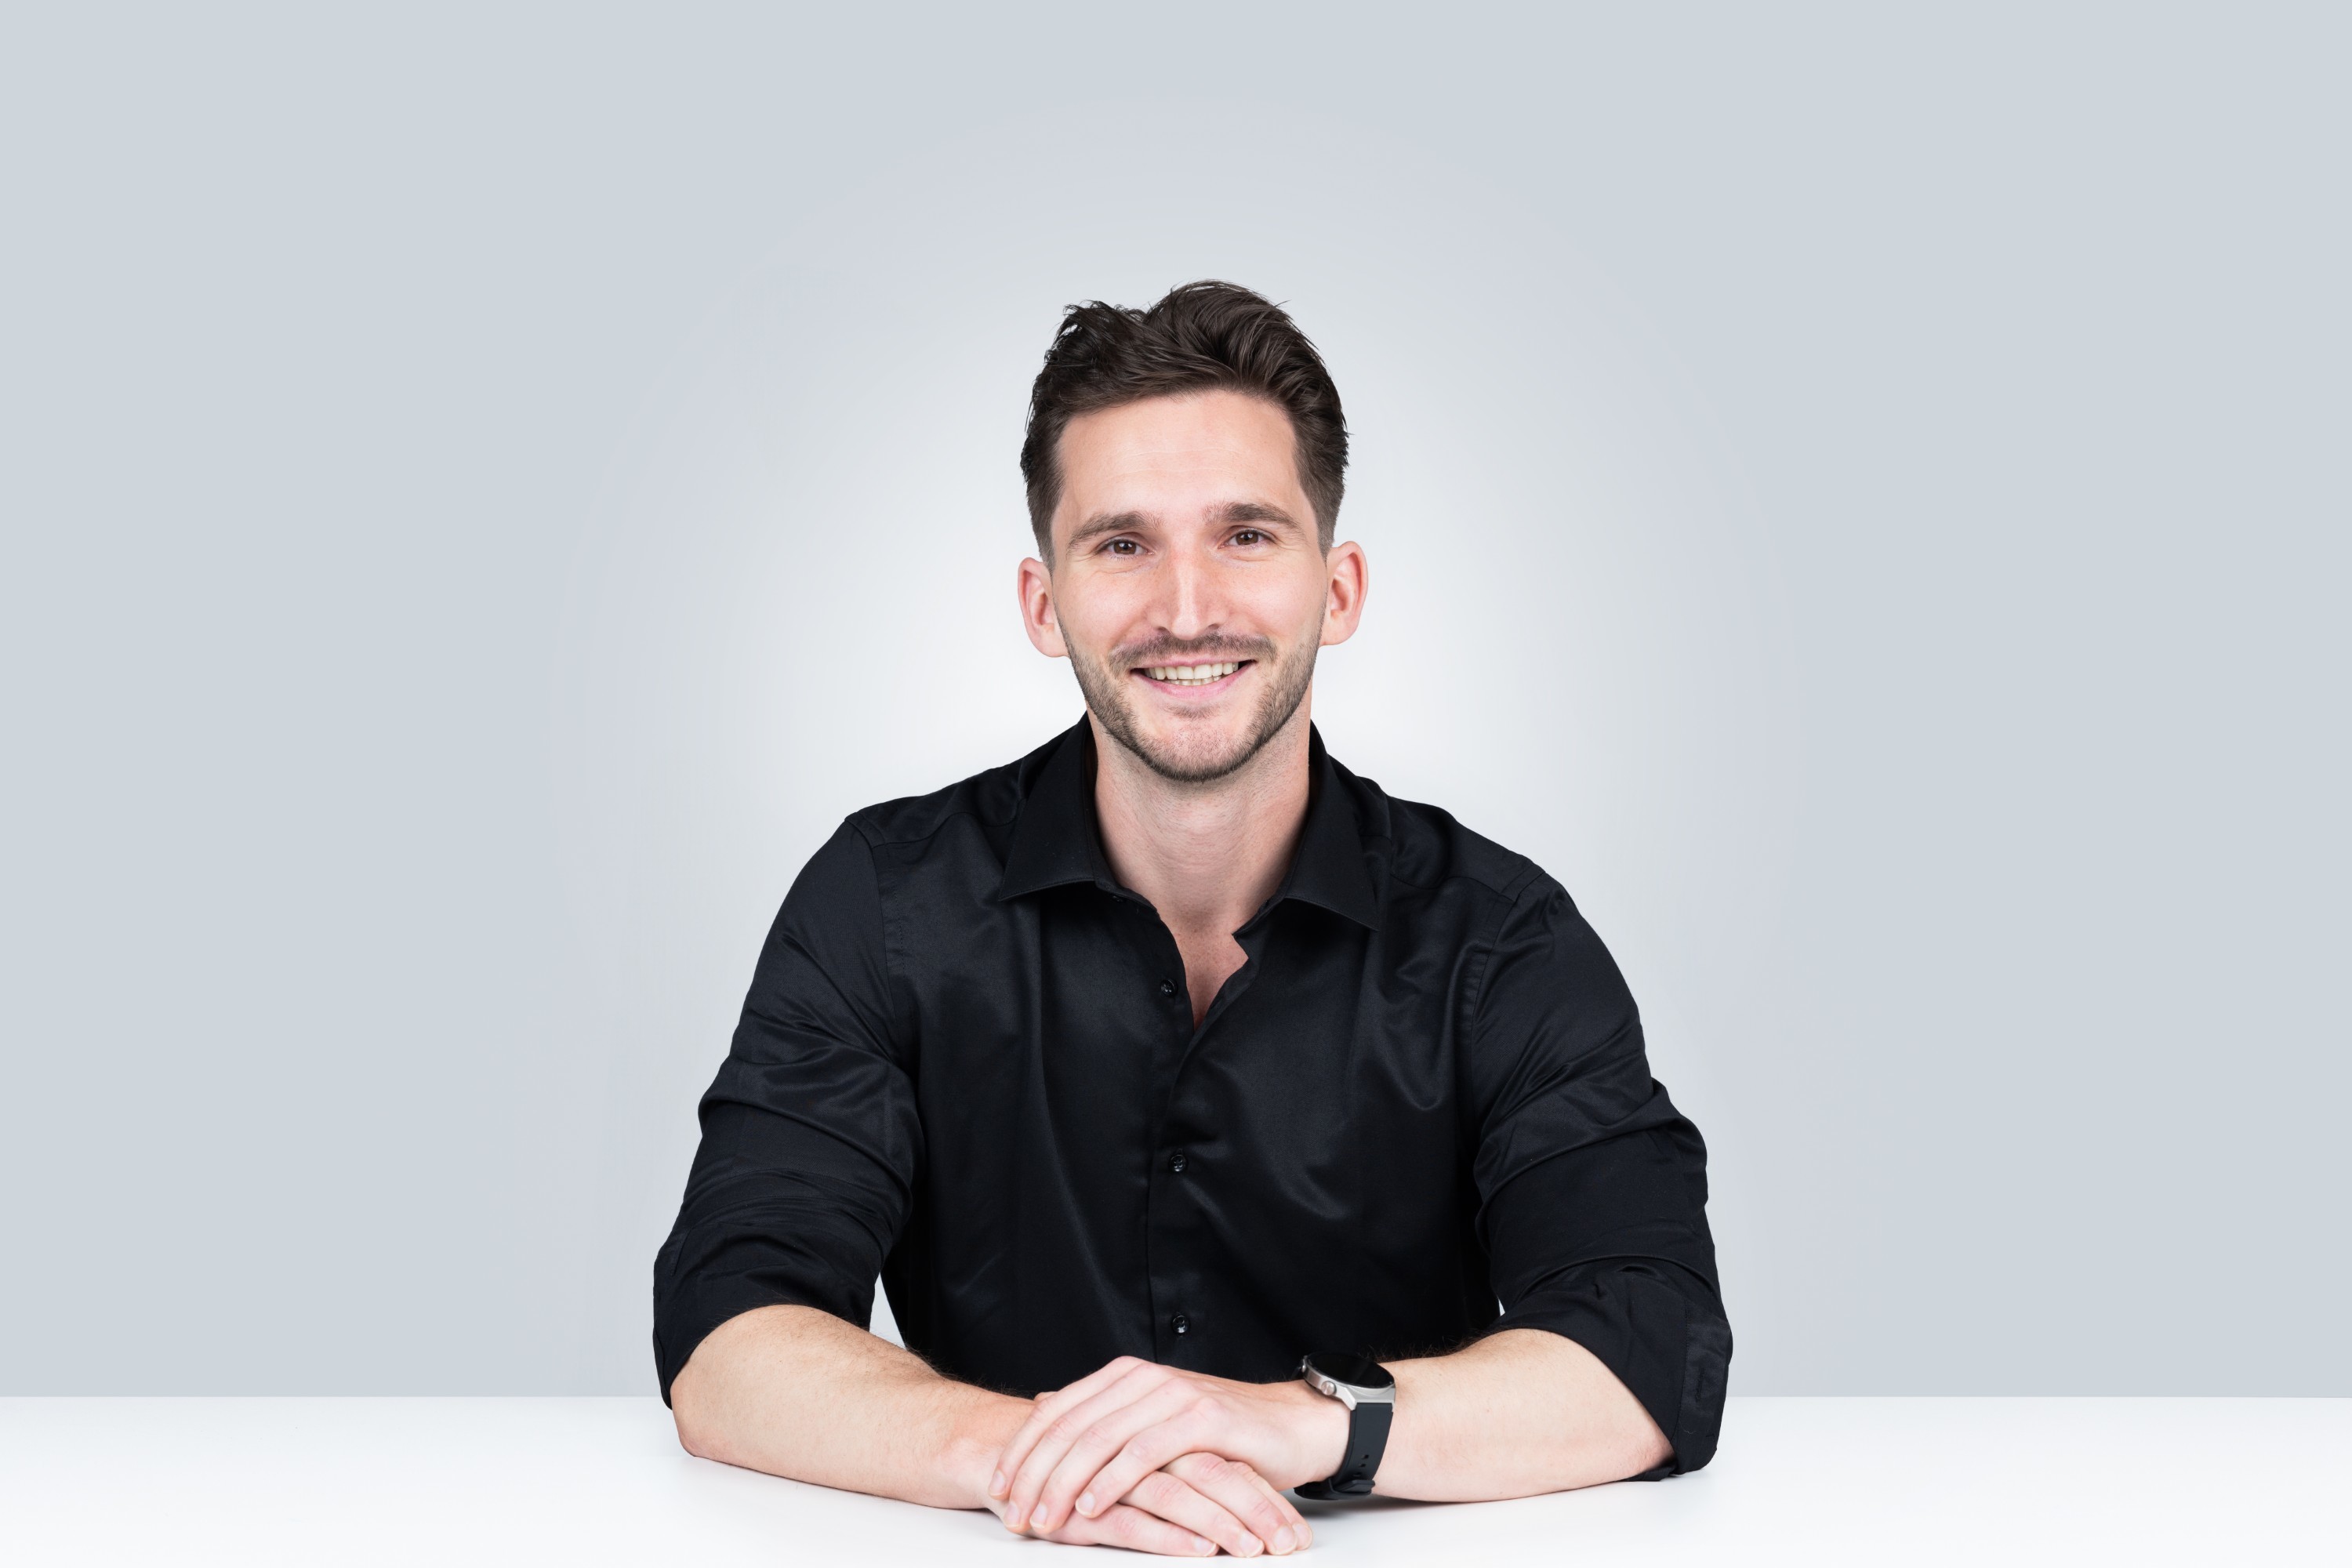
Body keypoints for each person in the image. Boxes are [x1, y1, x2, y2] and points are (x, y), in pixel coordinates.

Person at [653, 281, 1730, 1557]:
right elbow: (729, 1331)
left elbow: (1650, 1338)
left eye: (1246, 535)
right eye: (1121, 544)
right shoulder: (884, 900)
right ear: (1043, 603)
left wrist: (1303, 1424)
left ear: (1339, 589)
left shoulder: (1503, 940)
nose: (1184, 609)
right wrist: (1039, 1458)